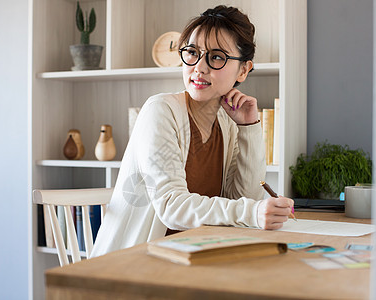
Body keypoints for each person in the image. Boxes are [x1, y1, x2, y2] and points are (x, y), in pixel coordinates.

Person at [91, 5, 294, 256]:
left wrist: (249, 128)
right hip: (135, 263)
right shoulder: (161, 111)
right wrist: (251, 212)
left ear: (243, 69)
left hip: (195, 257)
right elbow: (171, 207)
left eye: (217, 57)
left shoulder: (228, 124)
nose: (199, 67)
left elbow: (242, 197)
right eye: (192, 52)